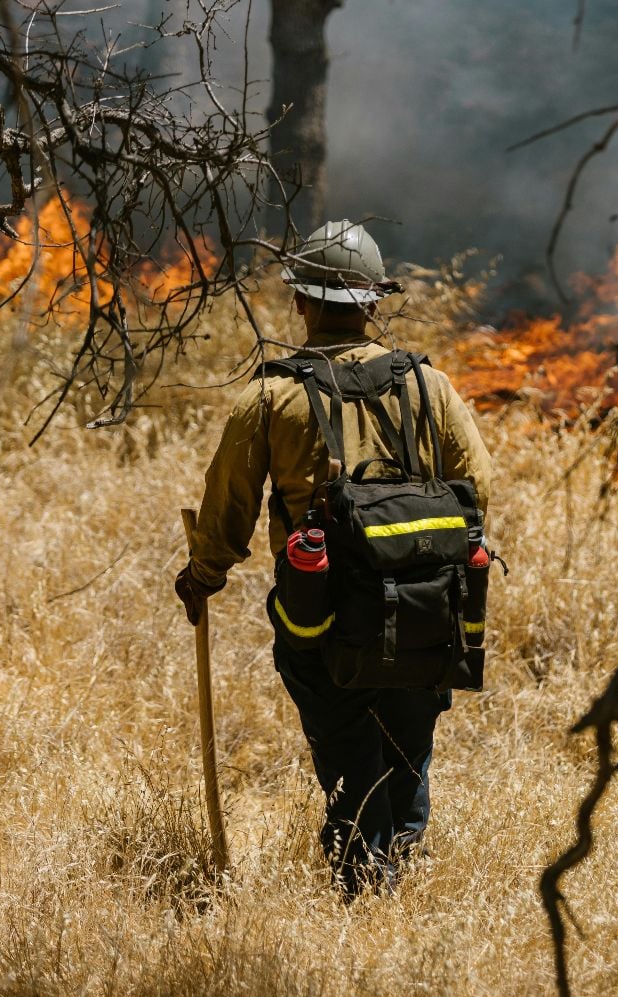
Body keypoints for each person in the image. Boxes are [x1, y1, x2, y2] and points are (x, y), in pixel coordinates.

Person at [175, 220, 495, 895]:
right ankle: (400, 884)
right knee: (407, 760)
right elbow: (480, 487)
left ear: (300, 301)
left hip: (324, 622)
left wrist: (202, 576)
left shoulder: (272, 397)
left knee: (352, 761)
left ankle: (367, 894)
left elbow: (228, 509)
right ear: (373, 303)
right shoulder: (429, 387)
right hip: (426, 613)